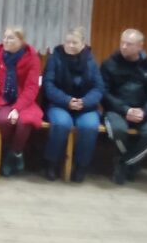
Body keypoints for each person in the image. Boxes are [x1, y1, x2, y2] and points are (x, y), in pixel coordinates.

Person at [100, 29, 147, 185]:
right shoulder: (109, 65)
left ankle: (125, 162)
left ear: (140, 46)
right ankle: (129, 163)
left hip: (143, 113)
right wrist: (125, 109)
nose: (123, 46)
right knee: (117, 131)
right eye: (122, 43)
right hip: (116, 111)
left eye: (129, 44)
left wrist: (144, 111)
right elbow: (104, 93)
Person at [43, 27, 103, 182]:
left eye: (74, 42)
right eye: (67, 42)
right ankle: (52, 164)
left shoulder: (91, 61)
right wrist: (67, 100)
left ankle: (81, 166)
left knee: (89, 126)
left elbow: (98, 88)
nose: (70, 45)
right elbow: (48, 85)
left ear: (83, 44)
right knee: (61, 124)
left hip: (86, 107)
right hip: (59, 104)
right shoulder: (54, 59)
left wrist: (84, 102)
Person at [0, 27, 41, 177]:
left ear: (21, 41)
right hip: (4, 98)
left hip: (25, 100)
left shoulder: (32, 58)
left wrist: (17, 109)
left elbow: (31, 88)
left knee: (23, 122)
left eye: (11, 38)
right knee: (3, 120)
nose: (6, 41)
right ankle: (10, 151)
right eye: (5, 37)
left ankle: (14, 153)